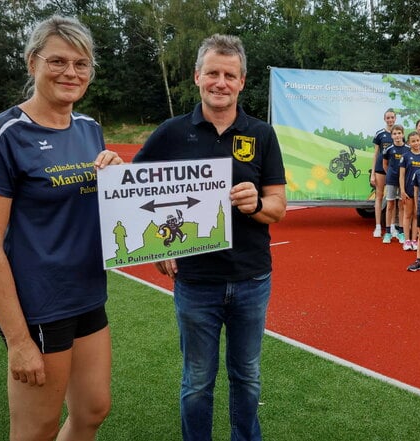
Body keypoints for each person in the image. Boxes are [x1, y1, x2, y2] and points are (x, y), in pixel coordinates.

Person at [0, 15, 122, 440]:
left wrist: (117, 178)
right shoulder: (3, 134)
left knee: (93, 409)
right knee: (36, 429)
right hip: (38, 305)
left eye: (81, 64)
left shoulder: (91, 129)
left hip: (87, 294)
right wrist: (18, 340)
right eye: (58, 61)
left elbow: (102, 212)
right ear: (32, 61)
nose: (70, 73)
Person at [133, 34, 287, 441]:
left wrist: (256, 203)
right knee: (197, 381)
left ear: (242, 81)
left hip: (251, 279)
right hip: (196, 281)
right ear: (198, 76)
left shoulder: (262, 134)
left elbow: (279, 207)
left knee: (248, 377)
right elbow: (134, 195)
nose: (221, 82)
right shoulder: (171, 132)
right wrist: (156, 248)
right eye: (213, 73)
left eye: (229, 75)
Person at [371, 109, 396, 238]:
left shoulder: (399, 133)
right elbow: (375, 154)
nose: (390, 120)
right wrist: (373, 173)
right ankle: (378, 227)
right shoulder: (379, 134)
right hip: (381, 169)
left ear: (395, 119)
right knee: (379, 197)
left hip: (393, 170)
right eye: (388, 117)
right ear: (384, 119)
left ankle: (392, 227)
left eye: (392, 117)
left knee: (392, 199)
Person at [400, 131, 420, 251]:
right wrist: (402, 190)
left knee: (416, 215)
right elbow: (402, 175)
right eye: (413, 141)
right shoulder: (405, 156)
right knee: (407, 215)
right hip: (408, 191)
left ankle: (414, 240)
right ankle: (406, 240)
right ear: (409, 143)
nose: (416, 143)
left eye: (417, 140)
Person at [382, 124, 407, 244]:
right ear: (391, 135)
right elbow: (385, 164)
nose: (397, 136)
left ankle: (401, 232)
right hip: (391, 180)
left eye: (399, 133)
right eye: (395, 134)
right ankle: (387, 232)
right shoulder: (388, 149)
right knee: (390, 205)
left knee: (401, 206)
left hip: (403, 182)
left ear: (403, 134)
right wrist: (390, 175)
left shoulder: (407, 149)